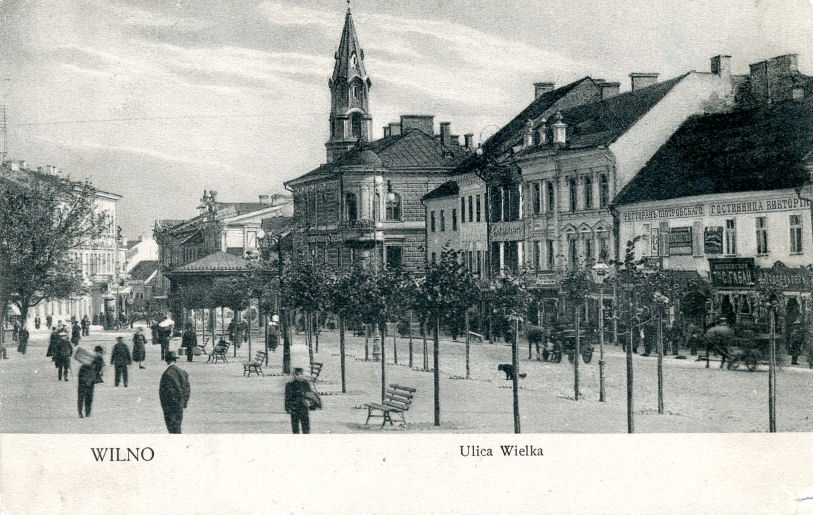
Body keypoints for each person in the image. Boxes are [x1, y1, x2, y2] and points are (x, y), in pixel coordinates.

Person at [159, 351, 190, 434]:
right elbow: (187, 389)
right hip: (180, 405)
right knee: (178, 425)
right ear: (175, 360)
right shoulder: (182, 372)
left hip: (170, 406)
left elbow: (165, 392)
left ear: (167, 361)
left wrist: (165, 406)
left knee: (172, 428)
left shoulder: (167, 374)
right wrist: (184, 402)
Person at [284, 367, 315, 434]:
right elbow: (287, 397)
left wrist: (311, 405)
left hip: (303, 408)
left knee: (305, 427)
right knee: (295, 428)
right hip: (294, 408)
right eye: (298, 374)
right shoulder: (289, 385)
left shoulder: (305, 383)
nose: (300, 376)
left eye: (301, 374)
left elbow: (310, 395)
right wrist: (287, 408)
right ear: (295, 375)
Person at [77, 346, 104, 418]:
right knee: (89, 396)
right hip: (90, 379)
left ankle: (80, 412)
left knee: (81, 395)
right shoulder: (99, 358)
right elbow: (98, 369)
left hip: (82, 377)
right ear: (100, 352)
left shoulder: (88, 357)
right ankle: (87, 412)